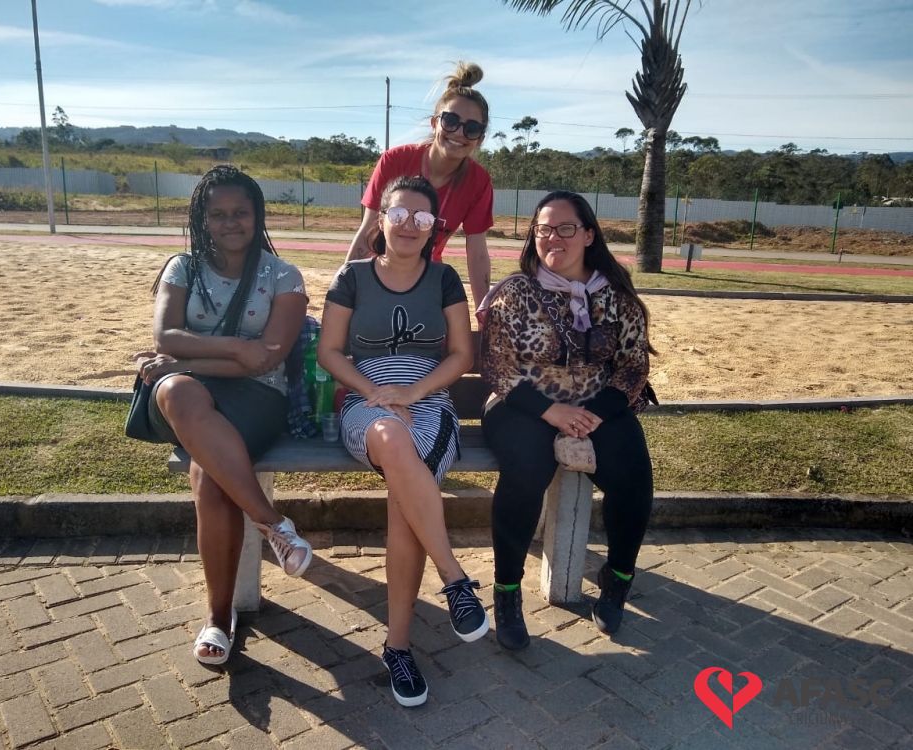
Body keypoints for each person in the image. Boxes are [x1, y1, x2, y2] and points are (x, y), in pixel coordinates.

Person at [134, 165, 313, 667]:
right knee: (176, 391)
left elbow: (267, 359)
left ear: (257, 216)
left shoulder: (284, 276)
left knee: (211, 479)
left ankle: (218, 618)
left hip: (258, 396)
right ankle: (272, 524)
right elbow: (164, 337)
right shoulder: (182, 269)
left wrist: (187, 360)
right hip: (185, 397)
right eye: (218, 214)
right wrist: (232, 348)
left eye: (241, 212)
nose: (230, 222)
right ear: (202, 218)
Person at [319, 175, 487, 707]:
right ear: (381, 219)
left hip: (429, 402)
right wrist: (376, 392)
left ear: (435, 227)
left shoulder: (443, 278)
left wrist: (413, 391)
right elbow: (329, 351)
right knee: (391, 437)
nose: (409, 225)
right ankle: (454, 578)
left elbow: (461, 355)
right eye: (398, 214)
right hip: (366, 401)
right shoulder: (352, 276)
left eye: (421, 217)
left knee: (404, 507)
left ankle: (397, 648)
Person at [478, 190, 655, 649]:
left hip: (597, 407)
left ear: (589, 234)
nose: (552, 237)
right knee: (526, 469)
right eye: (543, 229)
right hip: (522, 404)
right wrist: (553, 411)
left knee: (633, 473)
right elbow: (497, 368)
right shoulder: (515, 293)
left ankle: (618, 577)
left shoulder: (616, 295)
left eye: (565, 228)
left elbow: (633, 367)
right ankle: (507, 590)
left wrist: (593, 415)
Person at [345, 61, 494, 312]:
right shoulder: (395, 161)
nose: (459, 133)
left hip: (425, 281)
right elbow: (368, 230)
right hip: (377, 273)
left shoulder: (478, 181)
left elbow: (477, 253)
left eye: (471, 128)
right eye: (450, 121)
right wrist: (342, 294)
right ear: (435, 123)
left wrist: (484, 313)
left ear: (480, 138)